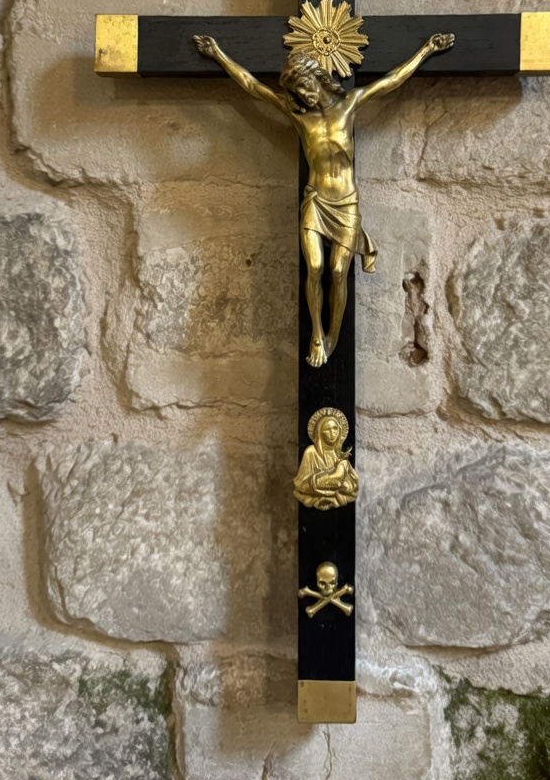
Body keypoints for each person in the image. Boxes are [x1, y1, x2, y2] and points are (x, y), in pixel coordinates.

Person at [193, 27, 454, 366]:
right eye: (296, 91)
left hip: (345, 203)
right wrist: (218, 55)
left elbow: (391, 81)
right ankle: (317, 334)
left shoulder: (349, 104)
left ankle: (332, 337)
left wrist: (426, 51)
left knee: (336, 272)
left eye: (304, 85)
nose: (303, 94)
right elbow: (252, 86)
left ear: (316, 78)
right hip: (315, 201)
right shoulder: (300, 117)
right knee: (314, 267)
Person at [293, 408, 357, 510]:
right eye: (327, 429)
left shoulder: (340, 456)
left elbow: (352, 486)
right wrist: (331, 480)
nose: (332, 433)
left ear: (340, 430)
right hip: (314, 503)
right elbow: (301, 485)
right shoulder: (311, 452)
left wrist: (341, 481)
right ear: (320, 432)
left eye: (335, 428)